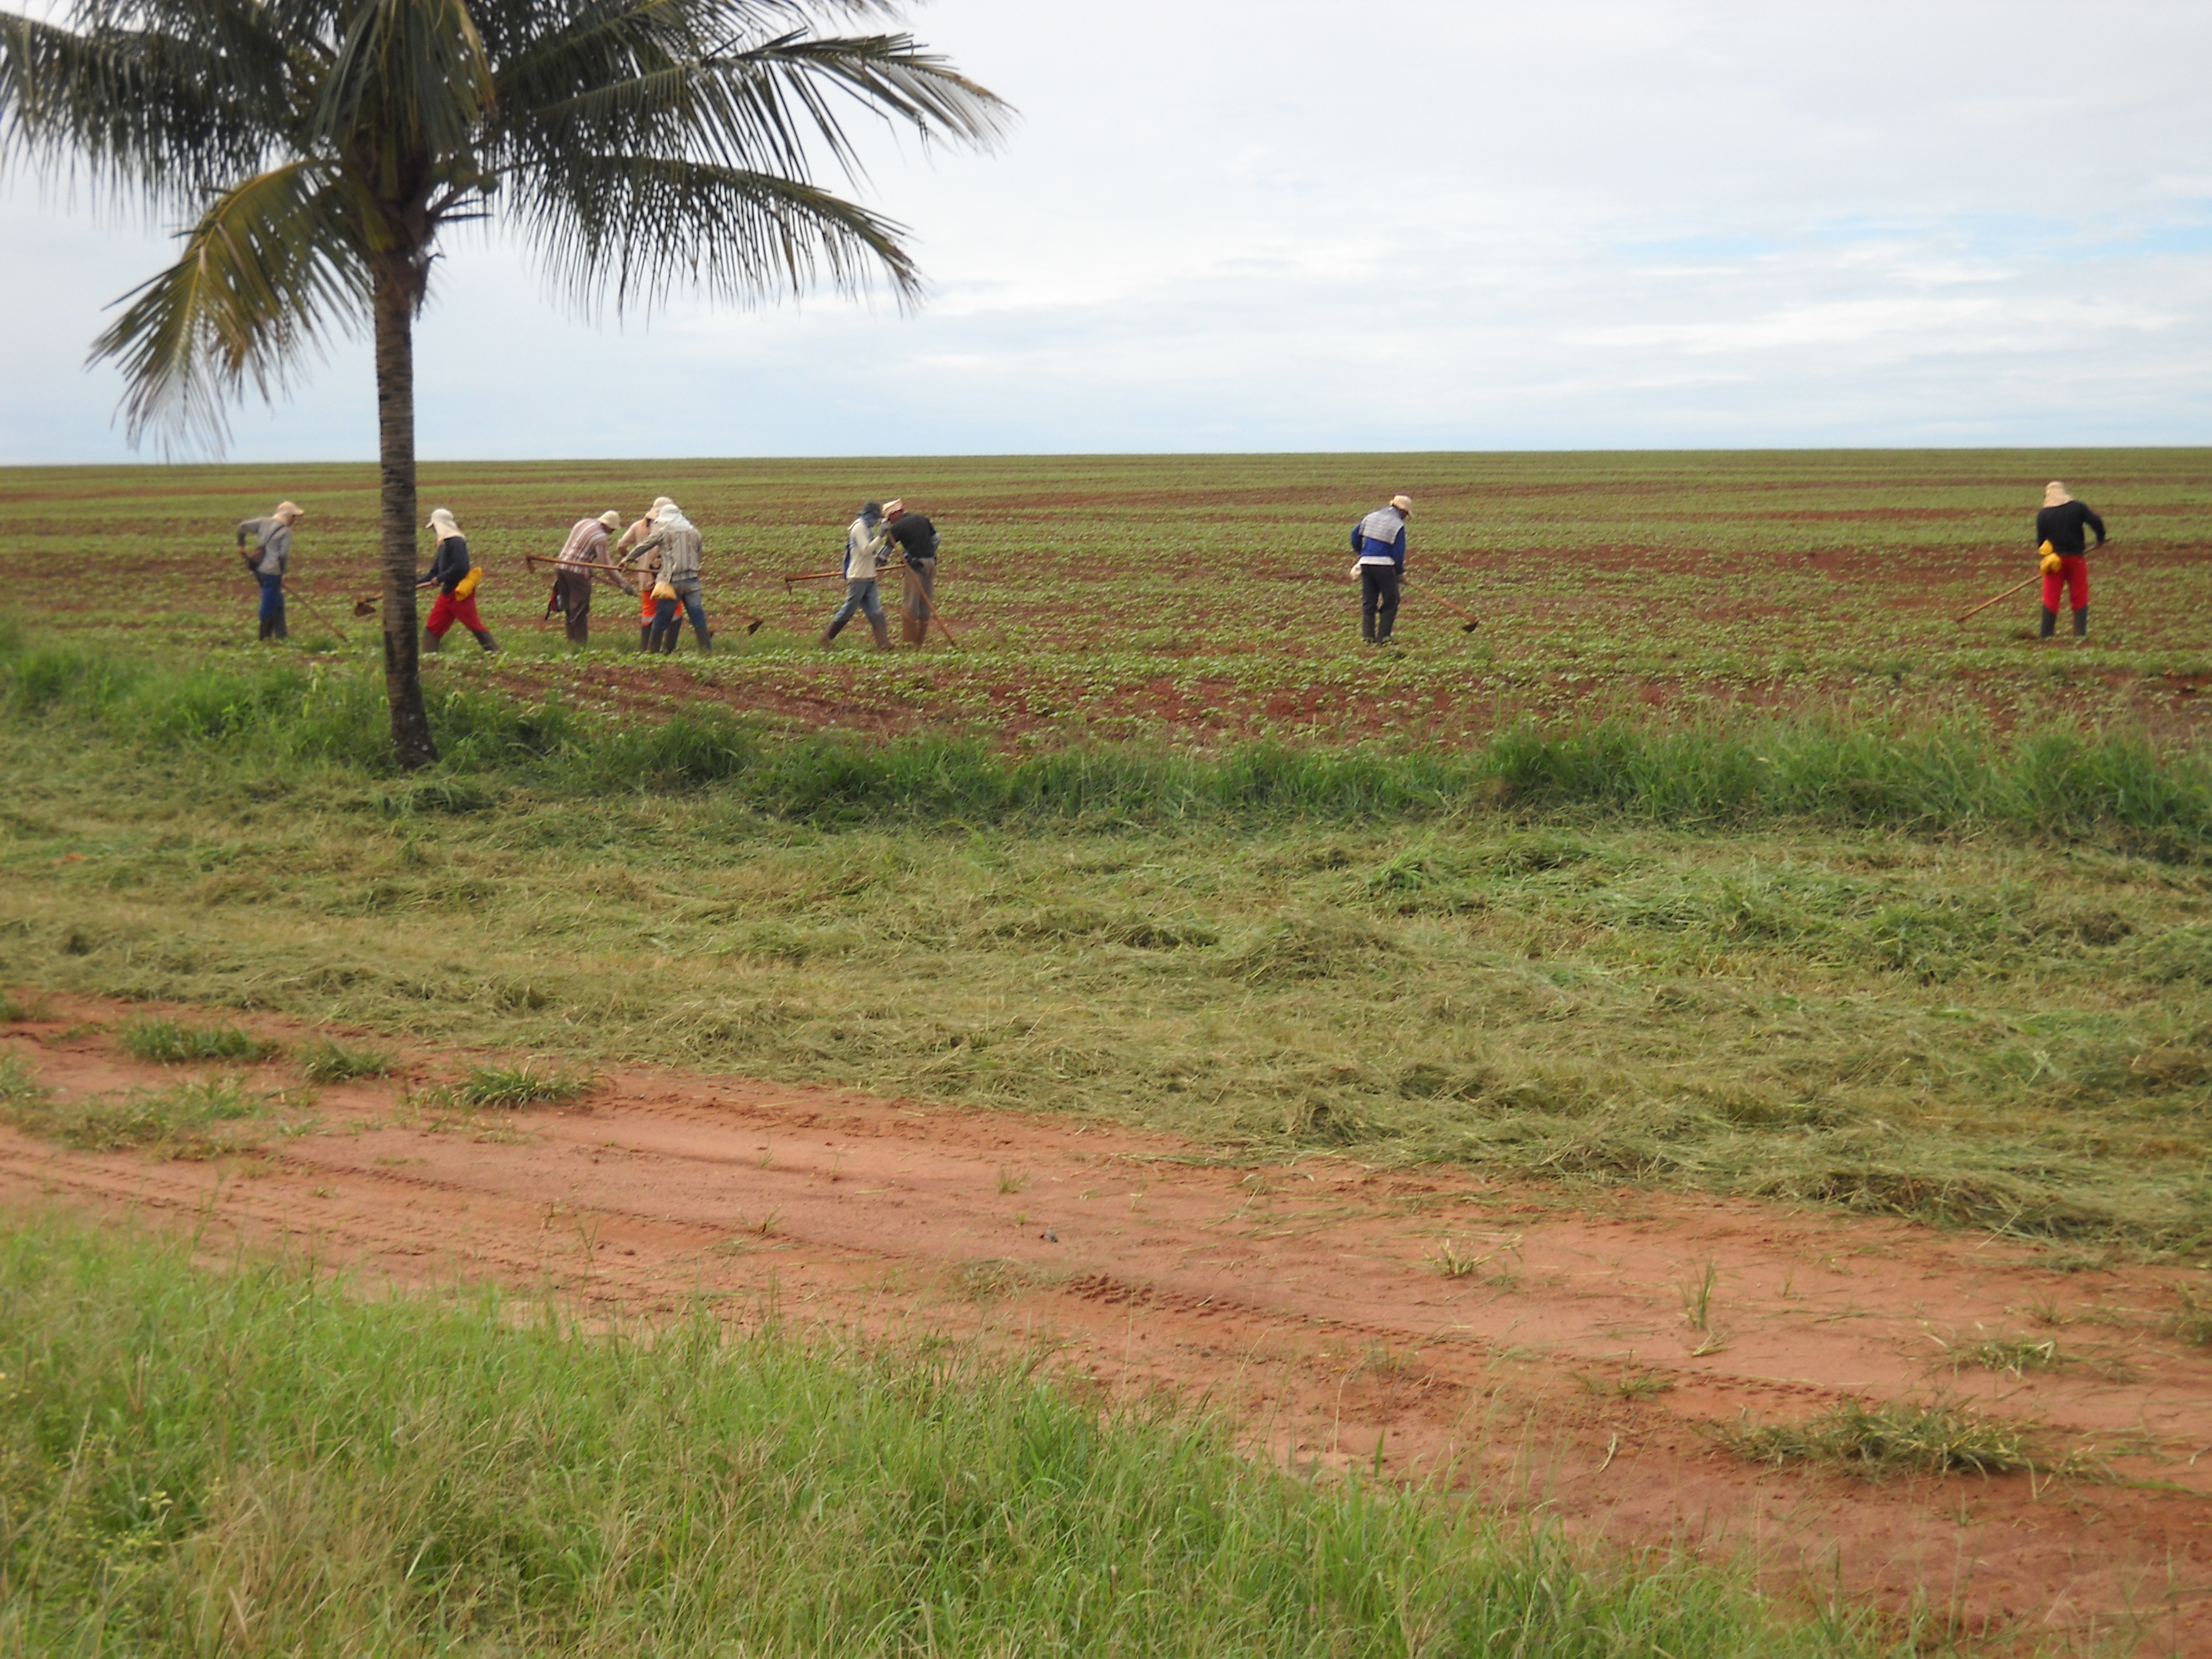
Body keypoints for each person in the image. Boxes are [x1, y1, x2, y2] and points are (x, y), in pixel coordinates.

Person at [628, 500, 711, 653]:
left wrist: (627, 559)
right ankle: (706, 652)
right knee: (698, 618)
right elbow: (699, 553)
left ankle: (653, 652)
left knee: (661, 618)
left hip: (671, 582)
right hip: (692, 582)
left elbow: (645, 545)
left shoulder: (664, 533)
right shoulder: (694, 532)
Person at [2034, 480, 2107, 640]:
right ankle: (2080, 634)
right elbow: (2096, 522)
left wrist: (2048, 557)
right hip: (2076, 559)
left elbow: (2041, 542)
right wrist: (2100, 539)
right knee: (2079, 594)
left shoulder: (2044, 514)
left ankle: (2046, 635)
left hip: (2055, 562)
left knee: (2051, 596)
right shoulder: (2077, 507)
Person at [418, 507, 497, 653]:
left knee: (475, 626)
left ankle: (496, 656)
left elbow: (461, 567)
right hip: (447, 594)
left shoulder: (456, 542)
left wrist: (440, 578)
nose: (434, 530)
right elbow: (433, 573)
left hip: (460, 594)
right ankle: (429, 661)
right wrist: (411, 585)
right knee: (432, 628)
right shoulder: (443, 545)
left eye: (434, 526)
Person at [548, 509, 626, 647]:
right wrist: (624, 584)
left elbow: (579, 549)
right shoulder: (600, 538)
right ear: (607, 525)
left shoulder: (584, 522)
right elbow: (606, 566)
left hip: (561, 567)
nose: (611, 533)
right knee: (579, 609)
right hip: (577, 573)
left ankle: (571, 642)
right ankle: (580, 645)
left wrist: (589, 568)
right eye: (612, 530)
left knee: (569, 608)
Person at [820, 499, 891, 649]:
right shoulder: (858, 528)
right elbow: (865, 550)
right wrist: (881, 536)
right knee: (849, 609)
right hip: (858, 576)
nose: (875, 522)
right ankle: (826, 638)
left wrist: (877, 559)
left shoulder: (867, 528)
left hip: (869, 576)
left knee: (876, 611)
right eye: (874, 518)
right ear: (868, 515)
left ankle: (884, 644)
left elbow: (865, 554)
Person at [235, 500, 306, 642]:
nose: (294, 520)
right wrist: (282, 573)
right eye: (293, 517)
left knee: (277, 599)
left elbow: (242, 527)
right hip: (272, 572)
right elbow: (283, 555)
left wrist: (241, 547)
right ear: (288, 516)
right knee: (269, 601)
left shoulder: (264, 522)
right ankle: (265, 636)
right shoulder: (286, 532)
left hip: (258, 569)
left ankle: (282, 635)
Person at [1349, 494, 1411, 645]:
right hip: (1385, 566)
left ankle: (1368, 637)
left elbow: (1354, 535)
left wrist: (1362, 554)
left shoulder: (1371, 516)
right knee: (1391, 600)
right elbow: (1398, 552)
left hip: (1366, 564)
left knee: (1369, 600)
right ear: (1403, 511)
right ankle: (1383, 637)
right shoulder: (1397, 524)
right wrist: (1399, 572)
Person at [615, 497, 675, 649]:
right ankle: (668, 648)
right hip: (663, 576)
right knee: (674, 609)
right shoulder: (665, 527)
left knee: (649, 611)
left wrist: (630, 559)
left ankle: (646, 647)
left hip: (645, 576)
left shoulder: (638, 526)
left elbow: (621, 545)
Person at [882, 498, 941, 645]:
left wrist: (877, 563)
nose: (890, 521)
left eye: (890, 518)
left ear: (896, 513)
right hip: (931, 564)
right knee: (926, 602)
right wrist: (926, 552)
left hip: (915, 567)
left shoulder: (896, 528)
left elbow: (885, 554)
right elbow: (936, 539)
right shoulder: (922, 519)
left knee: (911, 603)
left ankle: (909, 643)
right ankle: (920, 642)